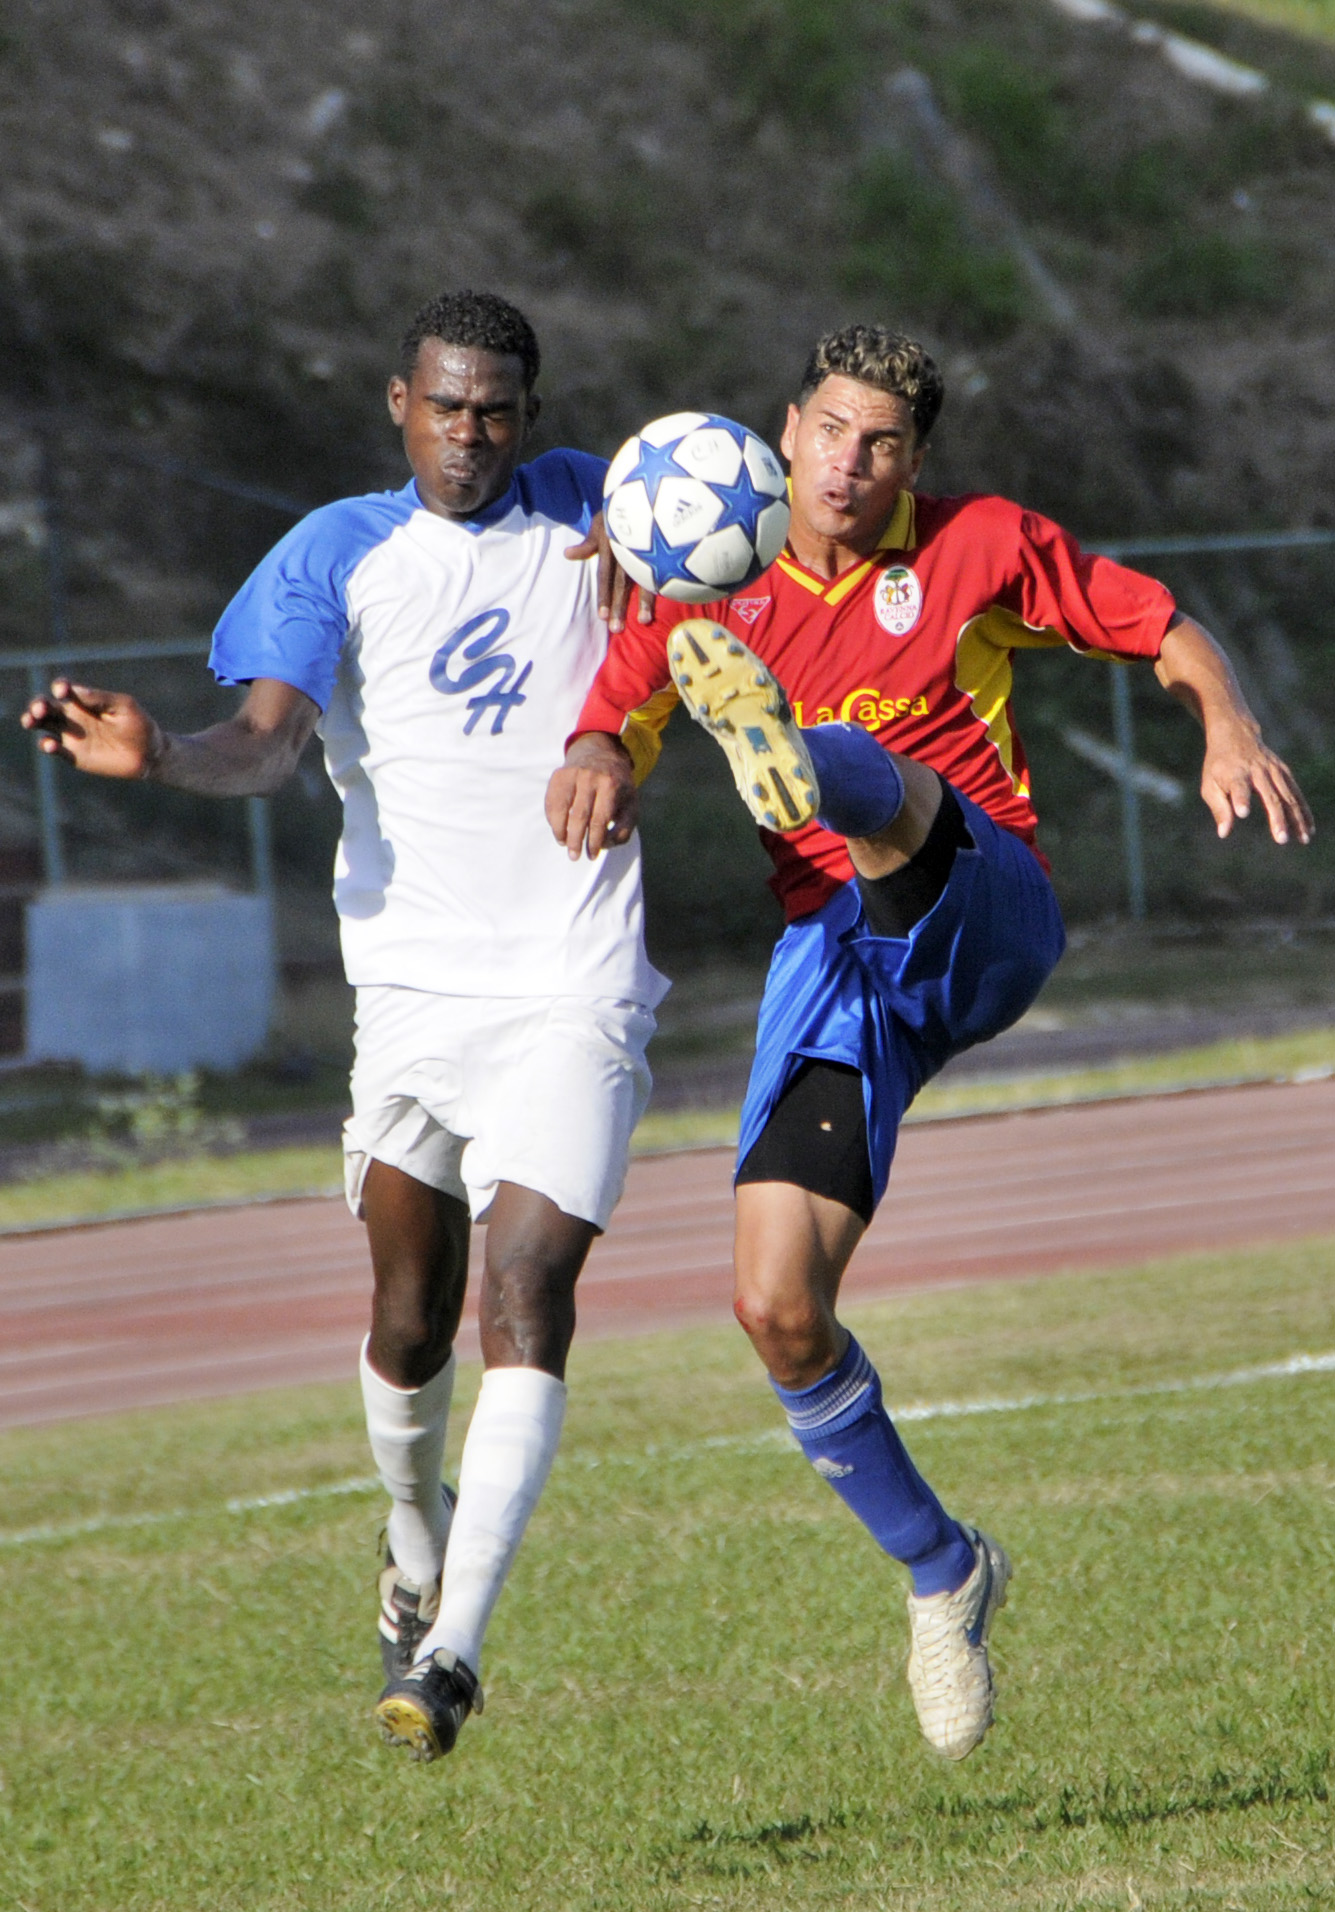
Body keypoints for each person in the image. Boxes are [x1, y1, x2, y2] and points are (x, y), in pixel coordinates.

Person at [547, 323, 1313, 1762]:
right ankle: (943, 1570)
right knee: (776, 1308)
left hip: (984, 901)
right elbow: (607, 731)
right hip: (833, 967)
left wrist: (1226, 722)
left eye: (884, 442)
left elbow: (1162, 626)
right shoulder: (694, 583)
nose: (852, 462)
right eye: (832, 430)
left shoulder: (978, 547)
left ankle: (800, 749)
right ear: (787, 429)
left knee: (882, 788)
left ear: (917, 463)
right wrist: (594, 761)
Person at [23, 288, 666, 1764]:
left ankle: (449, 1656)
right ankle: (407, 1532)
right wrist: (165, 756)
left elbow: (712, 533)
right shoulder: (336, 552)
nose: (469, 434)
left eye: (498, 409)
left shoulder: (603, 507)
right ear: (399, 403)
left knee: (528, 1293)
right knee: (408, 1314)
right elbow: (265, 741)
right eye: (445, 405)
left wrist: (662, 565)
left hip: (576, 977)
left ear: (533, 412)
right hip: (413, 992)